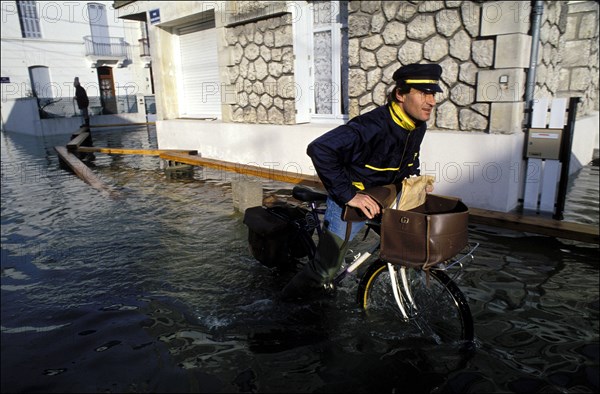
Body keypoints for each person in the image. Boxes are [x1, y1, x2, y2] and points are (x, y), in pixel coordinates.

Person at [281, 63, 442, 301]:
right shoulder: (370, 126)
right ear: (400, 94)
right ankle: (282, 305)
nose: (431, 101)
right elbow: (320, 149)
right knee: (325, 270)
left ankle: (364, 278)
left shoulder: (417, 125)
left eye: (433, 94)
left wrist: (416, 181)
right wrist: (349, 195)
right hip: (352, 202)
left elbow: (409, 159)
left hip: (384, 196)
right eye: (423, 93)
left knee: (404, 241)